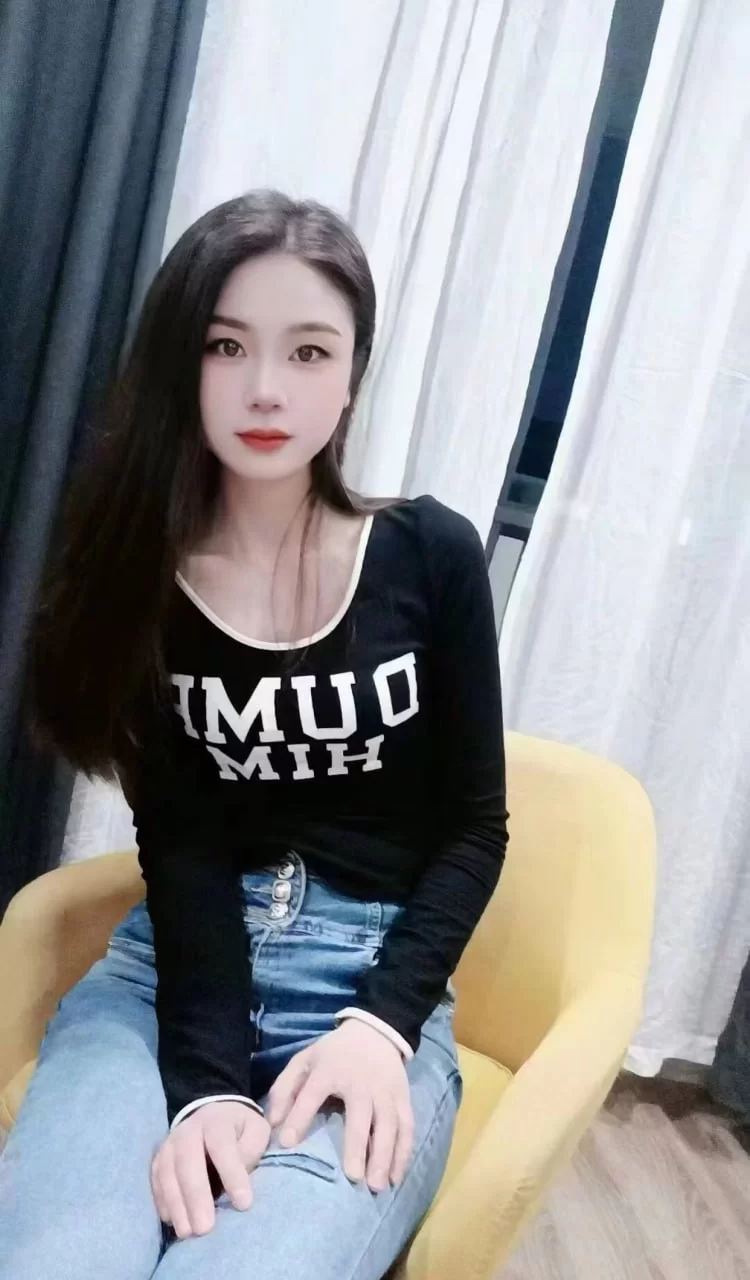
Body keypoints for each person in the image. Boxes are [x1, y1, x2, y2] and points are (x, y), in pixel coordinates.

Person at [0, 190, 508, 1280]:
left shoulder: (431, 554)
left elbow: (476, 826)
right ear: (180, 362)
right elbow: (181, 843)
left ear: (352, 376)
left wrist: (382, 1025)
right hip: (171, 975)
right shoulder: (143, 578)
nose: (266, 387)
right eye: (226, 345)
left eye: (309, 350)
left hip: (368, 985)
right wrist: (207, 1084)